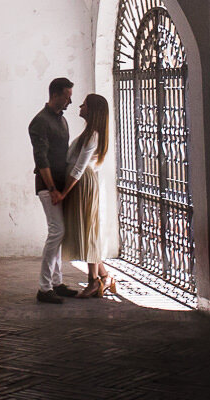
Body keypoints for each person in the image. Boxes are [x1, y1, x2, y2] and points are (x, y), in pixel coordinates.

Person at [58, 93, 118, 298]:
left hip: (82, 184)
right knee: (86, 230)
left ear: (92, 111)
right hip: (81, 183)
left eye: (85, 104)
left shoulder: (92, 135)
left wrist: (63, 192)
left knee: (88, 230)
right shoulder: (89, 133)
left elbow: (78, 169)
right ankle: (105, 277)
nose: (80, 106)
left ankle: (94, 281)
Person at [28, 76, 79, 303]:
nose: (70, 101)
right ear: (55, 95)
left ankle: (56, 283)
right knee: (56, 231)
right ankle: (44, 288)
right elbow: (42, 160)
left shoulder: (61, 120)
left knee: (58, 233)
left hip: (59, 185)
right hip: (48, 186)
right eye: (67, 97)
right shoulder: (39, 122)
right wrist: (52, 188)